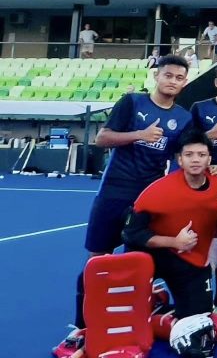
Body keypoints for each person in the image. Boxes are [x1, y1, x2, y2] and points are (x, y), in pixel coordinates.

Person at [54, 55, 193, 356]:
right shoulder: (132, 102)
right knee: (97, 259)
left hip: (148, 197)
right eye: (168, 75)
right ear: (157, 76)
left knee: (137, 261)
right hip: (114, 191)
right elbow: (102, 138)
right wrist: (140, 135)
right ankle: (82, 326)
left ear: (184, 83)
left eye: (179, 77)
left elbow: (181, 156)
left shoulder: (183, 118)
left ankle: (131, 323)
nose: (172, 81)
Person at [121, 129, 217, 348]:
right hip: (153, 254)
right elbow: (131, 233)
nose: (195, 160)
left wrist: (214, 250)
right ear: (179, 159)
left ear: (210, 159)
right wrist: (173, 242)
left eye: (201, 154)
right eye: (189, 155)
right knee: (127, 316)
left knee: (198, 321)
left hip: (192, 260)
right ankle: (148, 299)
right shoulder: (157, 191)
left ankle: (160, 313)